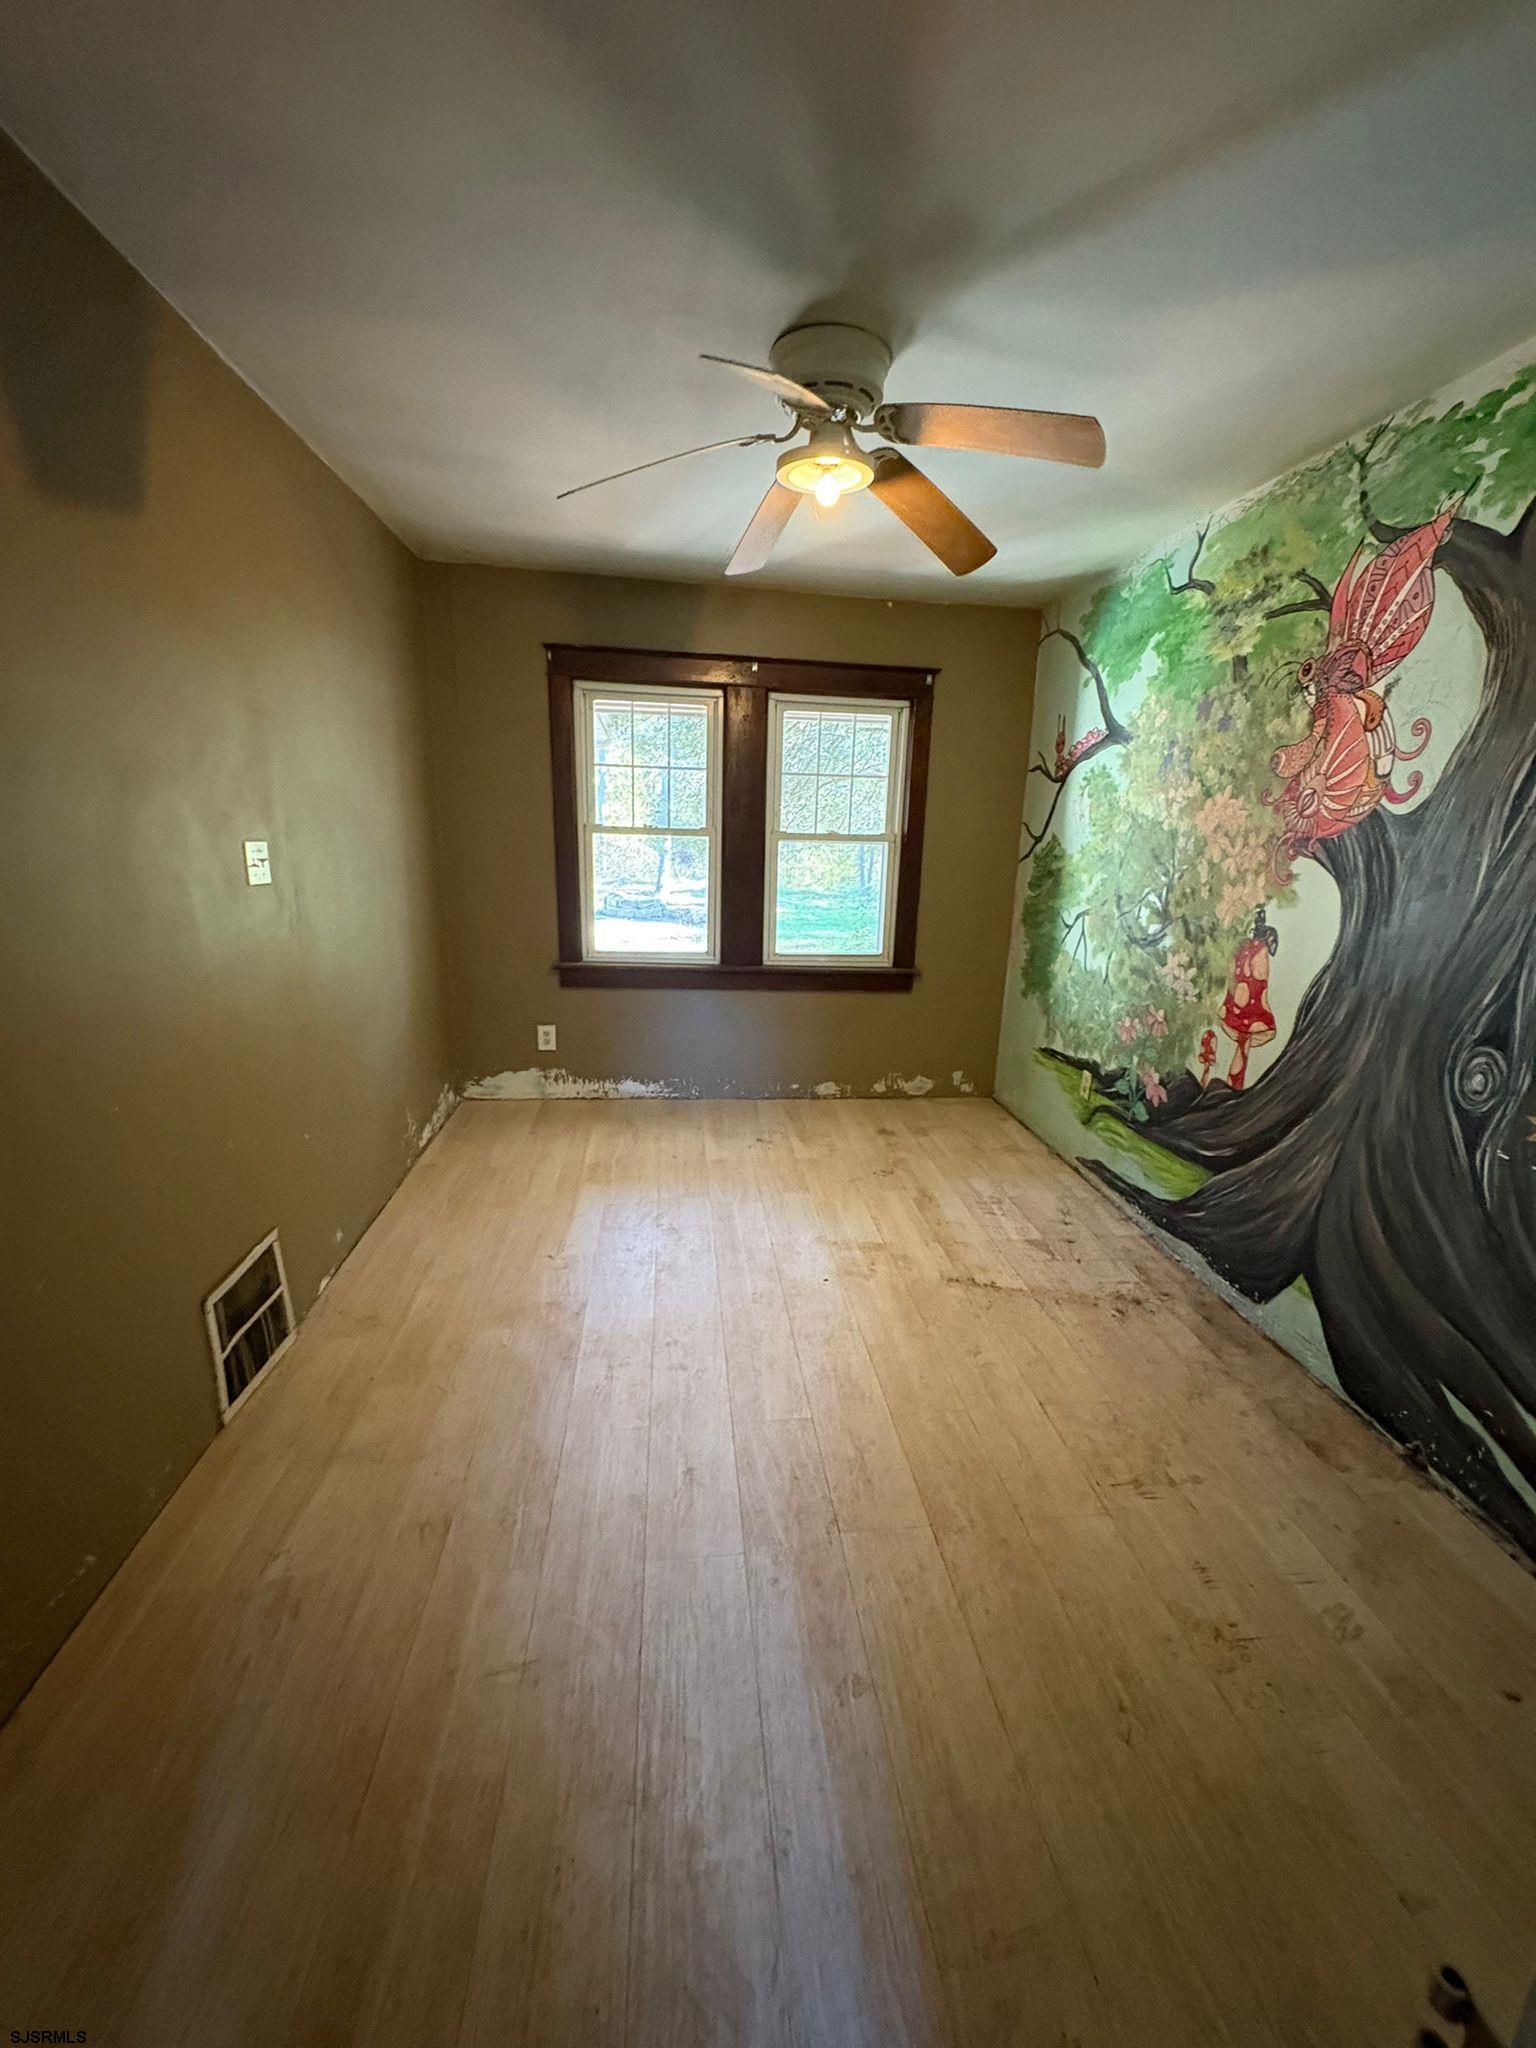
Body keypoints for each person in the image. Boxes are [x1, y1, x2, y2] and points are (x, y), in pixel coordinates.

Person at [1218, 907, 1278, 1090]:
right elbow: (1261, 980)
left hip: (1237, 1007)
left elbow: (1231, 974)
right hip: (1251, 1009)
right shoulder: (1260, 951)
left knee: (1242, 1047)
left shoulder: (1240, 947)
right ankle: (1233, 1089)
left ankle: (1232, 1088)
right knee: (1243, 1047)